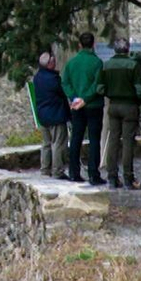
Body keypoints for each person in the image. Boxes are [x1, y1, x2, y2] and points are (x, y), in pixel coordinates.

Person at [100, 36, 141, 189]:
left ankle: (112, 176)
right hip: (130, 105)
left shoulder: (106, 65)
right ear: (128, 49)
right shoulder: (133, 65)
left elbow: (100, 88)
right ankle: (128, 177)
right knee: (127, 142)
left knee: (113, 140)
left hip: (113, 105)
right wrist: (138, 101)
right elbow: (140, 89)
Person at [61, 32, 106, 185]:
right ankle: (94, 174)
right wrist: (86, 99)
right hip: (93, 105)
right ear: (93, 44)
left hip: (76, 105)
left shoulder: (71, 63)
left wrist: (74, 97)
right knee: (94, 139)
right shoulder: (97, 62)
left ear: (79, 45)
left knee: (76, 138)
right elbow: (98, 85)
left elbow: (65, 82)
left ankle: (74, 172)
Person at [31, 51, 70, 179]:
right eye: (52, 61)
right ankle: (57, 170)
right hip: (56, 114)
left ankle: (45, 169)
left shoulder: (37, 78)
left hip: (43, 115)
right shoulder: (53, 79)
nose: (54, 63)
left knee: (46, 143)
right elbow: (62, 93)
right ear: (48, 64)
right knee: (58, 143)